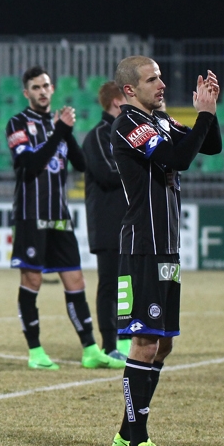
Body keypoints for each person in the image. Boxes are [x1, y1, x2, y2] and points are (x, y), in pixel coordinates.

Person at [109, 59, 221, 446]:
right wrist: (203, 114)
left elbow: (209, 145)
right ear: (128, 91)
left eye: (160, 76)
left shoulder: (161, 121)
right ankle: (139, 442)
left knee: (163, 344)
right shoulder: (129, 125)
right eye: (151, 79)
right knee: (144, 343)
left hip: (166, 249)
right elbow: (180, 159)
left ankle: (125, 433)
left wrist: (209, 111)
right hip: (143, 246)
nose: (161, 83)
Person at [6, 66, 124, 371]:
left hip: (59, 215)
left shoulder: (59, 125)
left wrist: (66, 132)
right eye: (36, 87)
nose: (42, 91)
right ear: (26, 93)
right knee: (31, 280)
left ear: (53, 88)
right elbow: (28, 165)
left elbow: (82, 164)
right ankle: (35, 350)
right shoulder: (17, 123)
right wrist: (59, 130)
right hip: (31, 215)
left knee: (76, 280)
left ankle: (90, 349)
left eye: (46, 85)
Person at [82, 81, 131, 361]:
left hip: (130, 221)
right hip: (108, 221)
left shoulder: (128, 133)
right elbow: (106, 173)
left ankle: (126, 339)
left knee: (129, 284)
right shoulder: (98, 136)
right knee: (110, 284)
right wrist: (140, 167)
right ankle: (109, 344)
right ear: (116, 101)